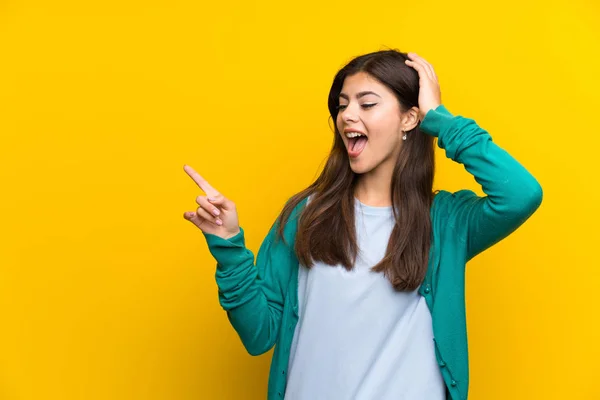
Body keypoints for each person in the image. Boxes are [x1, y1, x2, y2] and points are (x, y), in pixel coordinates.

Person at [182, 50, 543, 400]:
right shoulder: (306, 214)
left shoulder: (446, 221)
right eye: (342, 104)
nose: (347, 116)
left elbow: (522, 194)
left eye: (367, 104)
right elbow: (258, 334)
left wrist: (440, 118)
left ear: (409, 119)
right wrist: (228, 245)